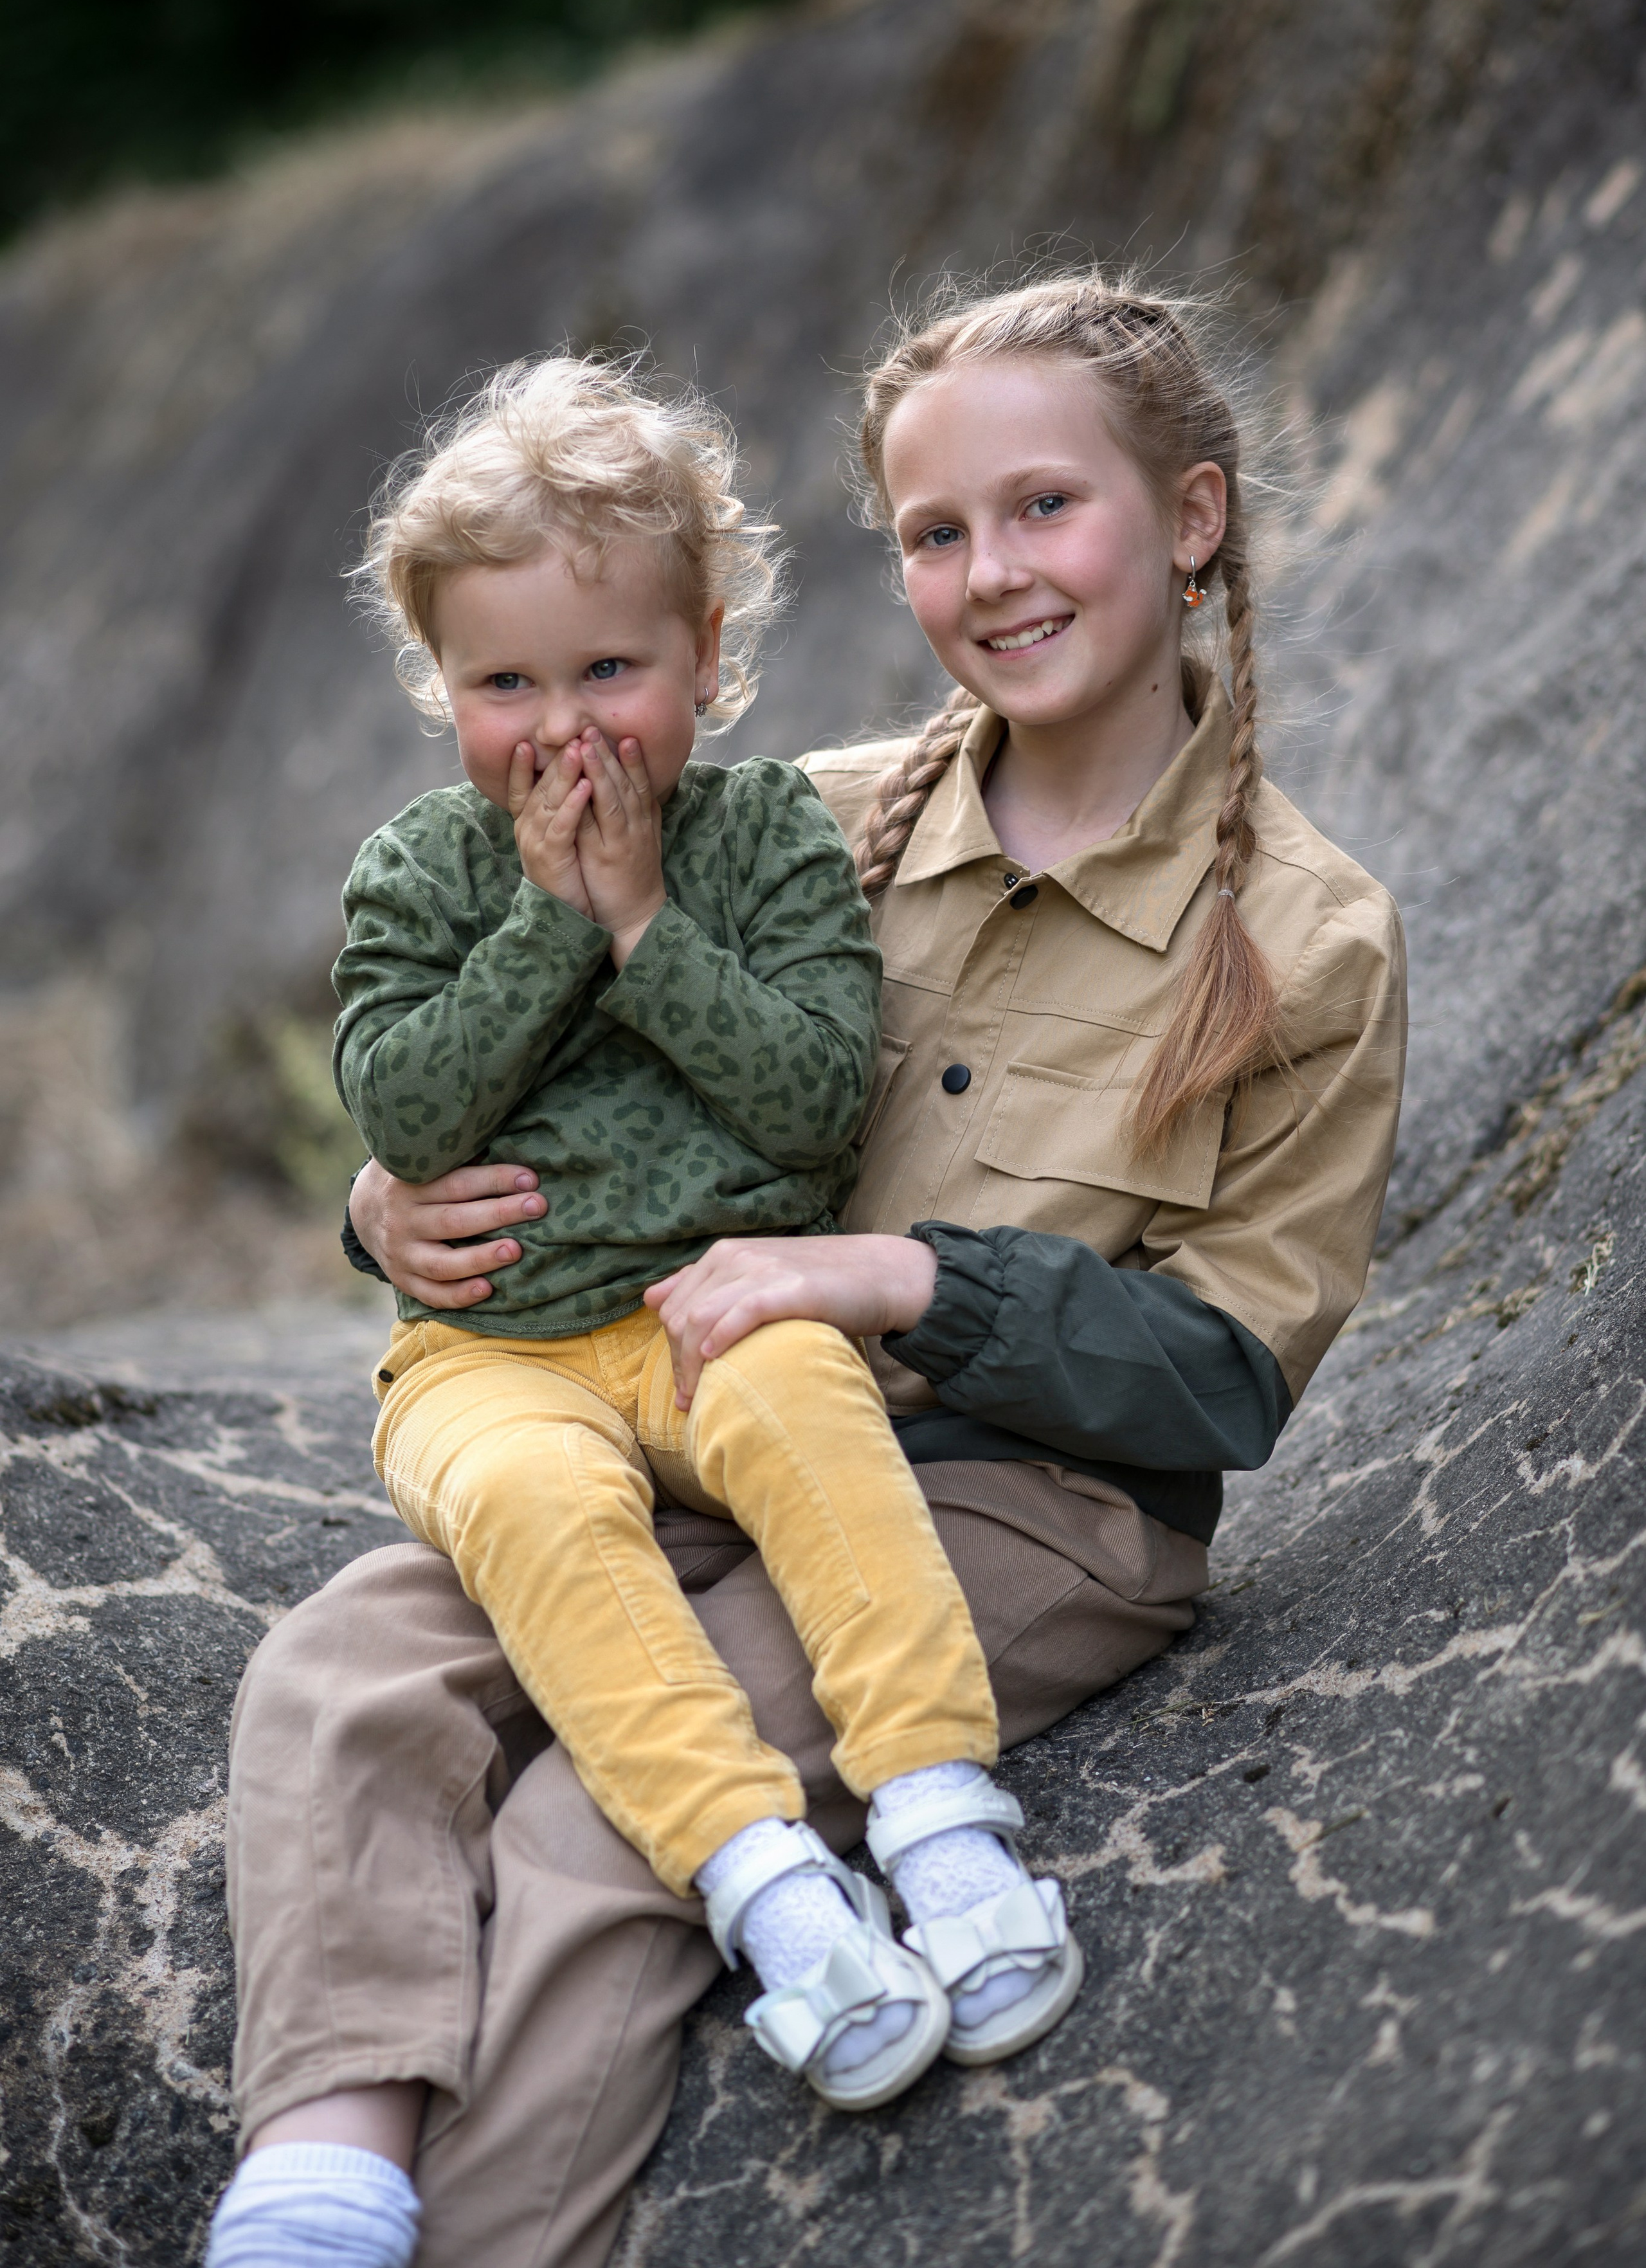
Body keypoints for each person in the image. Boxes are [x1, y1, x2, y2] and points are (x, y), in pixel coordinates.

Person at [210, 273, 1406, 2268]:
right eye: (937, 532)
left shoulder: (1307, 935)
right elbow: (518, 1075)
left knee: (605, 1814)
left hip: (1020, 1500)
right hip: (691, 1416)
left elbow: (1225, 1382)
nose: (991, 575)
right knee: (342, 1671)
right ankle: (320, 2186)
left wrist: (899, 1281)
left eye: (1045, 509)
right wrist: (375, 1214)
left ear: (1191, 521)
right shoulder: (813, 822)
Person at [323, 352, 1080, 2125]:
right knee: (531, 1507)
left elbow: (815, 1104)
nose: (563, 725)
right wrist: (546, 929)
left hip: (719, 1307)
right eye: (506, 681)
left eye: (611, 670)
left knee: (812, 1407)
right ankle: (766, 1882)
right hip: (489, 1355)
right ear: (441, 690)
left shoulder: (765, 848)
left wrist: (648, 920)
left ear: (707, 659)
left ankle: (941, 1817)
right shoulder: (420, 876)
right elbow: (410, 1118)